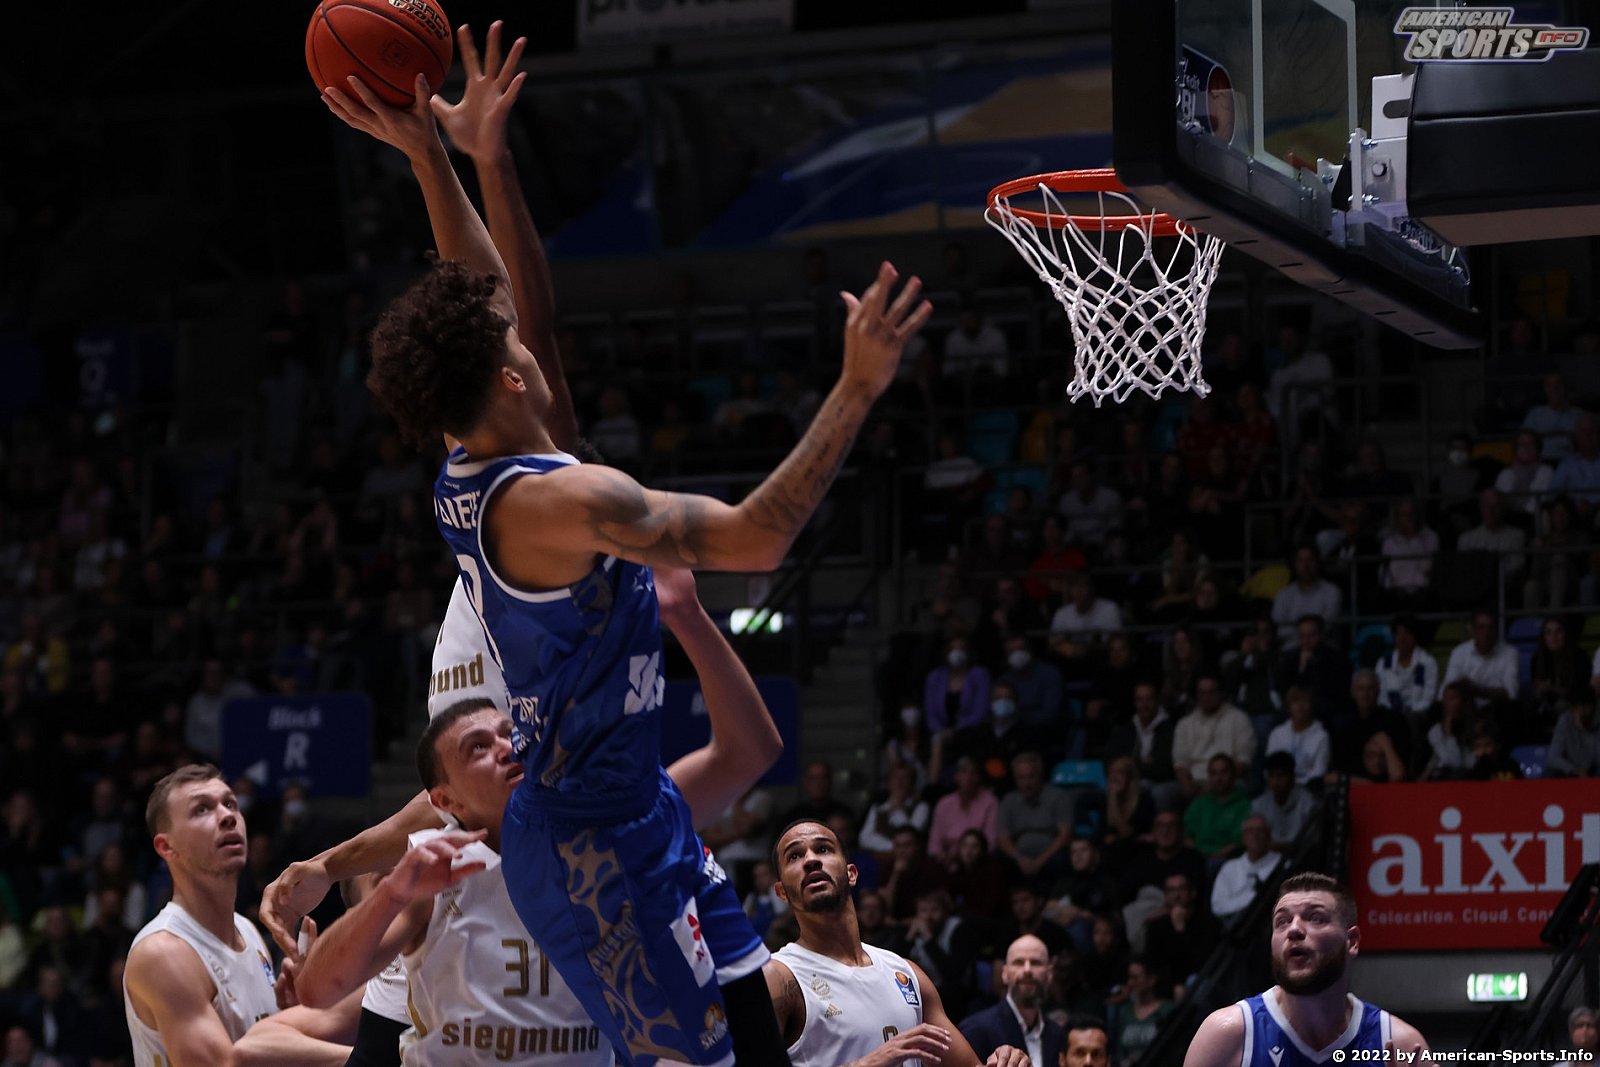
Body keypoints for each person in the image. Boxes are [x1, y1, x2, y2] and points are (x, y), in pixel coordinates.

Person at [326, 23, 929, 1057]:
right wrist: (856, 389)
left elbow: (486, 293)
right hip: (587, 849)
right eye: (514, 340)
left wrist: (435, 154)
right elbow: (755, 538)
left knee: (753, 1034)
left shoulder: (474, 452)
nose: (522, 328)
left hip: (638, 803)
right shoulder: (563, 501)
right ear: (508, 376)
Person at [122, 765, 357, 1067]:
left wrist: (296, 1013)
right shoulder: (163, 952)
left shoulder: (247, 930)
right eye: (202, 809)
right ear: (167, 846)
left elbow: (265, 1046)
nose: (227, 816)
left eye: (230, 803)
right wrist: (366, 1060)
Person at [763, 820, 1028, 1067]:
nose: (811, 860)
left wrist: (1005, 1061)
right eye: (794, 856)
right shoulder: (778, 976)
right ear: (782, 892)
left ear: (851, 874)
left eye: (823, 849)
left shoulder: (906, 973)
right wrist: (867, 1063)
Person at [1181, 873, 1428, 1067]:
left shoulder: (1401, 1045)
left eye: (1316, 918)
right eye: (1282, 921)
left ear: (1351, 941)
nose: (1294, 930)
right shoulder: (1227, 1036)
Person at [958, 935, 1065, 1067]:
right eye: (1018, 963)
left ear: (1050, 973)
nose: (1027, 970)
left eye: (1035, 963)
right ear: (1004, 973)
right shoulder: (976, 1029)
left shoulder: (1057, 1034)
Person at [1210, 817, 1282, 923]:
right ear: (1243, 837)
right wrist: (1252, 897)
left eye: (1260, 830)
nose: (1255, 835)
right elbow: (1218, 907)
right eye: (1250, 831)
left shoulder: (1282, 864)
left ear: (1269, 835)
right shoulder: (1229, 868)